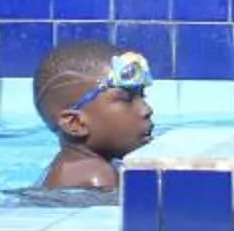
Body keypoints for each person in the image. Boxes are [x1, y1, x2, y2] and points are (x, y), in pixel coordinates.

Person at [33, 39, 157, 192]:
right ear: (75, 123)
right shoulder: (97, 178)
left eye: (141, 96)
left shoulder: (71, 166)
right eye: (126, 99)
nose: (146, 110)